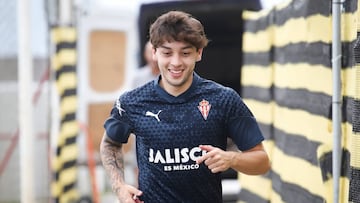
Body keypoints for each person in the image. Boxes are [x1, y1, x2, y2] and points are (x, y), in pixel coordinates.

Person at [100, 10, 270, 203]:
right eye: (167, 52)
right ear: (154, 52)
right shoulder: (132, 102)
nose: (176, 62)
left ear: (199, 53)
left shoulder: (224, 99)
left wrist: (231, 159)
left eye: (185, 53)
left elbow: (262, 162)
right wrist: (119, 186)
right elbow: (110, 143)